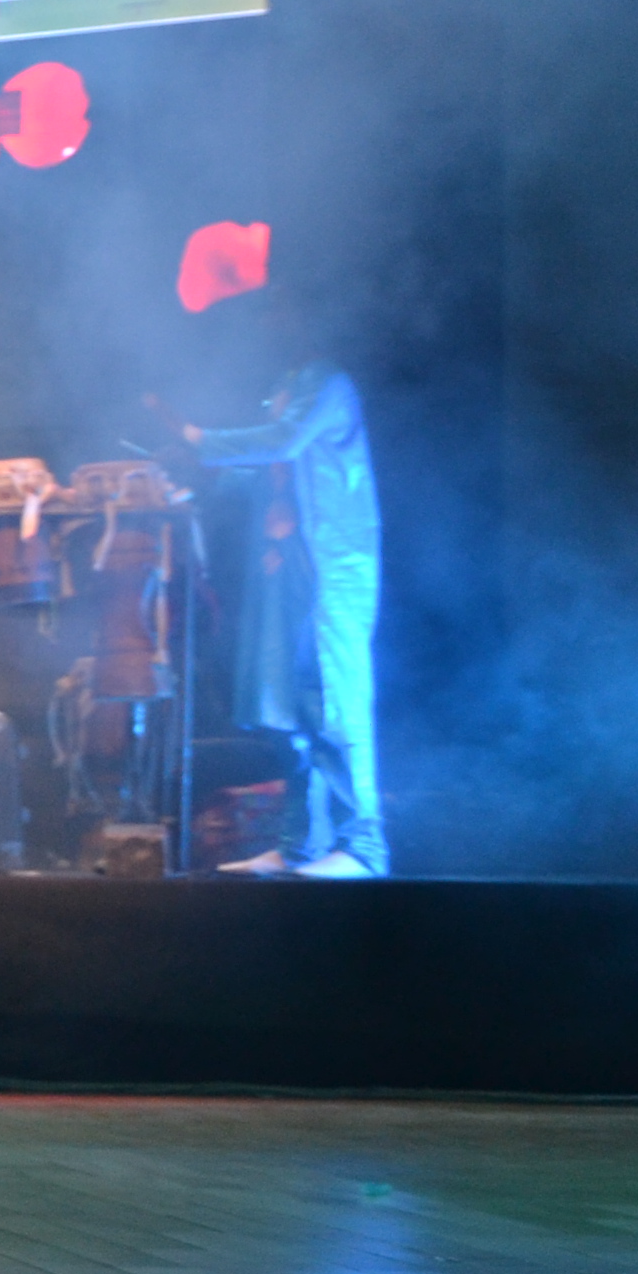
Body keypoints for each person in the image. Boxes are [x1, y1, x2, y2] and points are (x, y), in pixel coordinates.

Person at [177, 286, 387, 877]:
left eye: (279, 311)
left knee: (333, 701)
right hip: (290, 570)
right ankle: (301, 844)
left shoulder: (328, 382)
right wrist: (203, 474)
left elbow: (283, 442)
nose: (269, 323)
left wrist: (203, 441)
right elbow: (272, 469)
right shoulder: (290, 385)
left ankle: (364, 849)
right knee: (292, 709)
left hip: (332, 565)